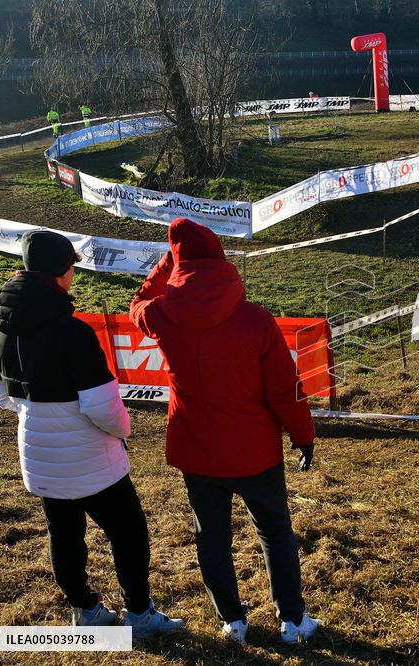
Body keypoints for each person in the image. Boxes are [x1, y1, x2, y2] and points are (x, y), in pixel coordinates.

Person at [130, 218, 320, 644]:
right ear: (222, 260)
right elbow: (286, 392)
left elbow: (137, 302)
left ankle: (232, 620)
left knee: (211, 536)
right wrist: (303, 436)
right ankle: (293, 620)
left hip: (196, 451)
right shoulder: (256, 320)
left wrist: (164, 270)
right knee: (275, 531)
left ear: (178, 264)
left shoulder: (162, 316)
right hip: (255, 451)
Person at [0, 230, 184, 636]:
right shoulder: (74, 332)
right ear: (62, 272)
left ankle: (84, 610)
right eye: (72, 266)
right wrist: (124, 430)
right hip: (93, 458)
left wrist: (32, 412)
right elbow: (102, 407)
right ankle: (140, 613)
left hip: (39, 456)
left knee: (64, 535)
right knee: (128, 532)